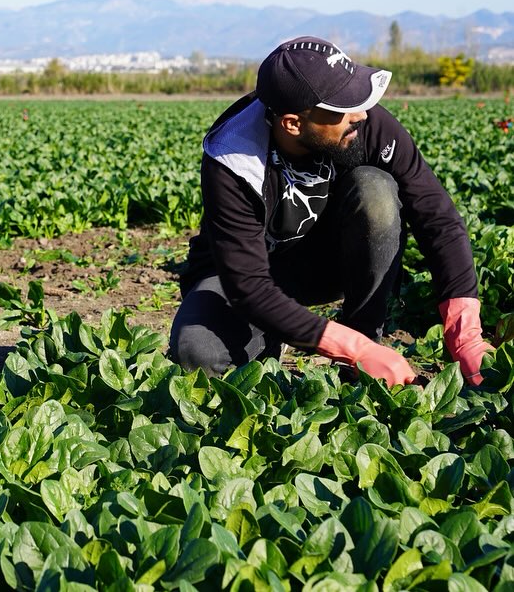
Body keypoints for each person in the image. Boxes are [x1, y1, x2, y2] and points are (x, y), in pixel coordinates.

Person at [169, 36, 491, 387]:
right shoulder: (232, 158)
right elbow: (248, 285)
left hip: (325, 262)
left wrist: (465, 330)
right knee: (197, 353)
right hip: (244, 274)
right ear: (292, 124)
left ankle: (366, 343)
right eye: (341, 108)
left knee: (375, 189)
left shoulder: (365, 124)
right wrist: (349, 347)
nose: (360, 114)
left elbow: (437, 215)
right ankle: (278, 344)